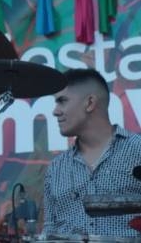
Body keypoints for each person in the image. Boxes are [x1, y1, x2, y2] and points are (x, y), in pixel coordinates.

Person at [41, 68, 141, 239]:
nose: (55, 111)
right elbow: (49, 231)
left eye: (62, 101)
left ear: (89, 103)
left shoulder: (137, 150)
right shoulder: (56, 168)